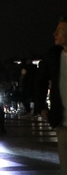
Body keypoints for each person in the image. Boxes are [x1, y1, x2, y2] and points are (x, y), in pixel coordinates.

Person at [36, 17, 67, 171]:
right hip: (62, 122)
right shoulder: (53, 57)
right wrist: (41, 107)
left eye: (60, 31)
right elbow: (40, 82)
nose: (55, 33)